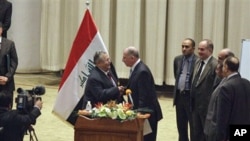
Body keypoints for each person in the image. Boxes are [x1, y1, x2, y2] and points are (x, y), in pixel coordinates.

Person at [122, 46, 163, 141]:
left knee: (147, 139)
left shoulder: (142, 71)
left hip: (146, 114)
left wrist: (139, 115)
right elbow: (133, 88)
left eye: (124, 57)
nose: (122, 60)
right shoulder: (136, 69)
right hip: (142, 112)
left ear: (132, 58)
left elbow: (144, 96)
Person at [216, 56, 250, 141]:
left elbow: (222, 117)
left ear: (226, 68)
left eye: (223, 66)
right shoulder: (247, 83)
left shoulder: (225, 87)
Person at [204, 49, 235, 141]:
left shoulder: (232, 83)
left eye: (220, 58)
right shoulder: (220, 76)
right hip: (210, 124)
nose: (217, 60)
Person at [190, 39, 217, 141]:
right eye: (198, 49)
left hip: (206, 106)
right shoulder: (197, 62)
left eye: (202, 49)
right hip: (195, 105)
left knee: (205, 134)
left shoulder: (215, 65)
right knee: (196, 132)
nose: (199, 52)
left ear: (210, 50)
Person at [173, 38, 197, 141]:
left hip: (191, 97)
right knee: (181, 125)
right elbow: (176, 75)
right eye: (182, 46)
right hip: (179, 96)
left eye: (187, 47)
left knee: (193, 126)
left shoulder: (198, 61)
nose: (184, 49)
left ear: (193, 48)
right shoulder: (177, 59)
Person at [0, 22, 18, 108]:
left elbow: (14, 62)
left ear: (1, 30)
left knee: (7, 110)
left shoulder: (9, 44)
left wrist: (7, 77)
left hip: (6, 84)